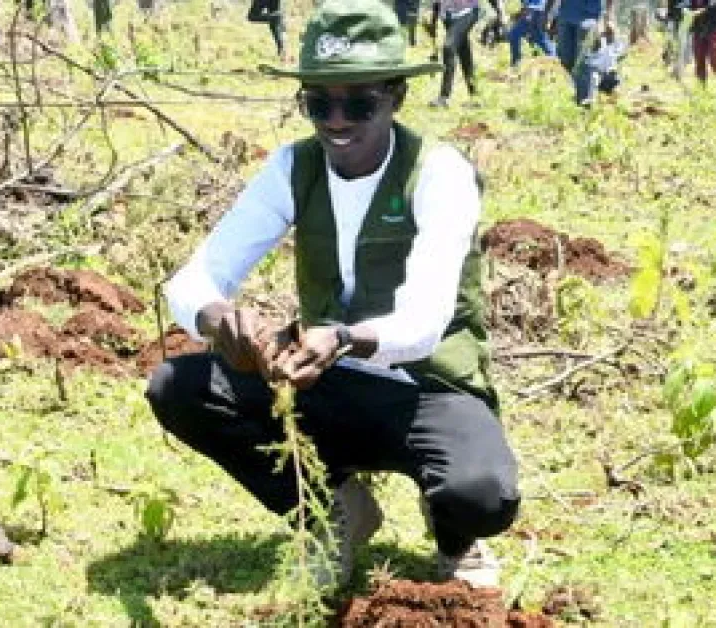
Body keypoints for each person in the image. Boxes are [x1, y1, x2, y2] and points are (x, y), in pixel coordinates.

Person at [146, 0, 521, 591]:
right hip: (326, 383)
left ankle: (454, 535)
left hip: (428, 385)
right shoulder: (294, 167)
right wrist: (220, 320)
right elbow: (193, 280)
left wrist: (343, 337)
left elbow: (424, 322)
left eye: (359, 104)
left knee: (482, 494)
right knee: (178, 387)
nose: (336, 121)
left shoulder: (439, 173)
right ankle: (334, 509)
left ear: (397, 97)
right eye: (319, 103)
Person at [546, 0, 619, 104]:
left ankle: (584, 101)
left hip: (589, 19)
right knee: (564, 61)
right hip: (565, 16)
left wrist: (609, 18)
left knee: (583, 63)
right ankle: (571, 96)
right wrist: (547, 14)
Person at [428, 0, 490, 106]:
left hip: (467, 12)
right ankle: (475, 95)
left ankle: (444, 97)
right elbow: (437, 3)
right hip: (447, 16)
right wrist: (433, 23)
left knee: (448, 47)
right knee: (464, 52)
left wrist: (500, 12)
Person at [508, 0, 557, 68]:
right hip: (533, 11)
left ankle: (554, 58)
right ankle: (516, 62)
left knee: (539, 37)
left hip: (535, 11)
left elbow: (538, 4)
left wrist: (528, 11)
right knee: (539, 37)